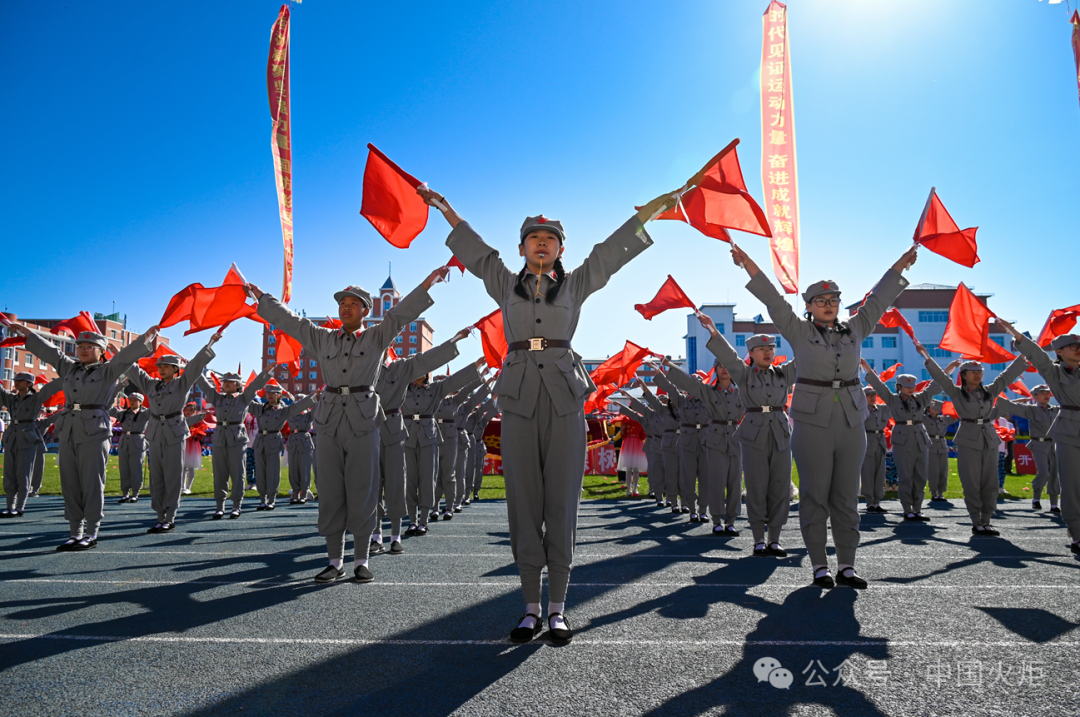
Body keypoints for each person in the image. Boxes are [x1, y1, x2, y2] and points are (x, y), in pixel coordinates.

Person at [422, 181, 675, 644]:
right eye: (534, 237)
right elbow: (478, 254)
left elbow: (609, 255)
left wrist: (650, 214)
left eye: (551, 238)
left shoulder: (574, 284)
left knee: (562, 502)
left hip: (563, 396)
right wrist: (446, 210)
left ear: (560, 249)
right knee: (523, 502)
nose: (542, 242)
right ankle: (530, 607)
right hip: (519, 396)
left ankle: (558, 607)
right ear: (521, 248)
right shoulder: (505, 282)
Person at [731, 243, 919, 589]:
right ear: (809, 307)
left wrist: (899, 268)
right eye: (821, 301)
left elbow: (878, 300)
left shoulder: (855, 329)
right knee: (815, 494)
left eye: (833, 299)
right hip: (811, 420)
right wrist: (749, 266)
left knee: (847, 496)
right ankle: (820, 565)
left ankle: (847, 565)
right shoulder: (799, 331)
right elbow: (774, 301)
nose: (829, 305)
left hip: (850, 419)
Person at [248, 267, 449, 583]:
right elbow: (291, 321)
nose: (346, 307)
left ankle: (361, 560)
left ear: (365, 311)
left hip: (363, 418)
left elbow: (400, 315)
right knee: (329, 489)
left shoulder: (376, 335)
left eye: (353, 303)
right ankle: (334, 560)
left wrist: (427, 283)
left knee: (363, 488)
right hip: (328, 420)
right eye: (342, 302)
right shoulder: (322, 337)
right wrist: (262, 297)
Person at [10, 324, 156, 548]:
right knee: (70, 482)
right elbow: (51, 351)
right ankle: (75, 531)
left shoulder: (108, 370)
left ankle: (91, 532)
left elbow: (125, 357)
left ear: (102, 350)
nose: (83, 350)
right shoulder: (69, 368)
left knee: (91, 482)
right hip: (69, 428)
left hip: (94, 429)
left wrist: (145, 338)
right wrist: (28, 333)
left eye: (90, 346)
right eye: (80, 346)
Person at [371, 333, 467, 555]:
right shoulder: (396, 384)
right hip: (391, 434)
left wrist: (474, 365)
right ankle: (402, 524)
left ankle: (421, 520)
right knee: (402, 482)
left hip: (422, 435)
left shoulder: (431, 388)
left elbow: (454, 381)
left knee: (426, 479)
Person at [702, 326, 795, 554]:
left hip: (780, 432)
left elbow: (806, 354)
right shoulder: (744, 374)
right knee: (756, 486)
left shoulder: (784, 373)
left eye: (770, 348)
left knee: (780, 487)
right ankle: (758, 539)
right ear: (751, 353)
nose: (767, 352)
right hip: (754, 432)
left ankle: (774, 538)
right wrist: (715, 333)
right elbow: (729, 357)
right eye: (761, 349)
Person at [918, 346, 1028, 537]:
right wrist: (926, 356)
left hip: (989, 438)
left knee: (991, 482)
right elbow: (942, 378)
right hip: (969, 438)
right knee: (971, 482)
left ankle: (987, 520)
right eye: (973, 372)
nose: (977, 375)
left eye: (980, 372)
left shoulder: (990, 391)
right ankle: (976, 521)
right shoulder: (957, 393)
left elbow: (1007, 376)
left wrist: (1025, 356)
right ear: (964, 375)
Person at [124, 334, 220, 535]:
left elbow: (195, 365)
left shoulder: (181, 383)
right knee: (156, 476)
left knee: (173, 475)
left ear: (176, 369)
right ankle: (159, 516)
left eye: (166, 366)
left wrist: (209, 344)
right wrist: (120, 353)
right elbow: (133, 370)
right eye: (160, 366)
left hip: (174, 431)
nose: (161, 369)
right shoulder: (151, 384)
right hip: (155, 433)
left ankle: (170, 517)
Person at [997, 327, 1080, 554]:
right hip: (1069, 433)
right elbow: (1038, 356)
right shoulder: (1054, 372)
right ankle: (1077, 533)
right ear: (1059, 352)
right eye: (1073, 346)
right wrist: (1017, 335)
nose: (1078, 350)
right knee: (1072, 486)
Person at [658, 352, 745, 536]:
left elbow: (756, 407)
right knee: (716, 481)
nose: (724, 369)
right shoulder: (708, 391)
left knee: (735, 482)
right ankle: (716, 521)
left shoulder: (742, 392)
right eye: (720, 365)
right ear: (716, 369)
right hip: (715, 439)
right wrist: (670, 367)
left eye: (727, 365)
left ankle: (731, 521)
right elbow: (688, 383)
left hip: (735, 439)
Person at [401, 361, 484, 534]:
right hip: (408, 437)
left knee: (428, 479)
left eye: (424, 370)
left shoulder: (435, 389)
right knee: (410, 481)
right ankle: (412, 520)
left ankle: (423, 520)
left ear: (427, 375)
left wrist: (479, 367)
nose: (420, 373)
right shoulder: (402, 388)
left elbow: (458, 381)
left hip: (429, 437)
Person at [861, 365, 938, 521]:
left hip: (920, 439)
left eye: (912, 386)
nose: (910, 389)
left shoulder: (920, 398)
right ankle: (907, 509)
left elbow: (935, 386)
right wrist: (866, 367)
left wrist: (947, 370)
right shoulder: (893, 399)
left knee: (921, 477)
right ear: (899, 387)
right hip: (903, 440)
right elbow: (879, 386)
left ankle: (917, 509)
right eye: (906, 386)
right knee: (906, 477)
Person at [196, 367, 272, 518]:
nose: (226, 384)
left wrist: (267, 372)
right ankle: (220, 506)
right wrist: (194, 368)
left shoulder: (243, 398)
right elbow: (204, 384)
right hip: (219, 438)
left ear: (238, 385)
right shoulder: (217, 398)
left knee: (238, 473)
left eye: (231, 382)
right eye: (225, 382)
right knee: (220, 473)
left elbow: (255, 385)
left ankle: (236, 505)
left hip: (237, 438)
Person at [1, 373, 62, 517]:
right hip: (12, 437)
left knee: (23, 473)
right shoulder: (11, 399)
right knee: (9, 473)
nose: (16, 383)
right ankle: (9, 507)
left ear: (29, 384)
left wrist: (69, 374)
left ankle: (19, 507)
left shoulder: (35, 399)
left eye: (20, 381)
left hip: (27, 437)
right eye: (16, 380)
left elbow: (51, 387)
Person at [652, 371, 711, 522]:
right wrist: (659, 373)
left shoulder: (709, 398)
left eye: (698, 382)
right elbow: (670, 388)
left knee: (705, 478)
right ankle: (691, 508)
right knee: (688, 477)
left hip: (705, 441)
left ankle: (703, 509)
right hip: (687, 441)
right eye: (692, 383)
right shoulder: (682, 400)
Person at [250, 386, 320, 510]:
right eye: (268, 393)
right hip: (261, 442)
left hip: (277, 442)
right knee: (260, 472)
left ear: (279, 395)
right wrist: (245, 390)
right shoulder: (260, 408)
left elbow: (304, 405)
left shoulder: (284, 410)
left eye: (273, 393)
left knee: (274, 472)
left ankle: (273, 499)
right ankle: (262, 500)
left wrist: (314, 394)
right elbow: (244, 401)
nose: (270, 395)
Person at [432, 367, 485, 520]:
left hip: (450, 437)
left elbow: (468, 390)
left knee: (450, 473)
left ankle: (450, 506)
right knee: (435, 474)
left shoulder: (455, 401)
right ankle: (434, 507)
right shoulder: (431, 399)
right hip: (434, 436)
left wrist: (481, 378)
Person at [998, 386, 1060, 512]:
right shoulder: (1031, 410)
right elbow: (1009, 406)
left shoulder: (1055, 410)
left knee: (1054, 474)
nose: (1046, 395)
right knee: (1043, 472)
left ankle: (1054, 504)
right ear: (1035, 396)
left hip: (1053, 445)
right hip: (1038, 444)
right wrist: (993, 394)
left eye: (1047, 393)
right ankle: (1036, 497)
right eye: (1042, 393)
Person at [613, 385, 669, 507]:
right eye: (661, 402)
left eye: (665, 402)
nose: (663, 405)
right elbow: (635, 414)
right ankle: (653, 490)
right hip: (652, 443)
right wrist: (622, 405)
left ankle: (669, 494)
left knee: (668, 469)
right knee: (653, 469)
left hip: (668, 443)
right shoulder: (649, 415)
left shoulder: (671, 415)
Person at [452, 378, 494, 509]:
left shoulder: (475, 416)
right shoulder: (452, 409)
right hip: (451, 440)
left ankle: (466, 495)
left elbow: (485, 412)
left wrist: (496, 401)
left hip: (468, 441)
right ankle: (449, 498)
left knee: (469, 471)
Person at [110, 393, 150, 504]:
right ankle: (125, 493)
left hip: (138, 441)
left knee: (136, 469)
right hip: (124, 442)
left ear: (141, 402)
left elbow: (156, 408)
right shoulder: (123, 413)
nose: (132, 401)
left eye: (135, 400)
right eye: (130, 399)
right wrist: (115, 391)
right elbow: (108, 407)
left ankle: (135, 493)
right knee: (124, 469)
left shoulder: (144, 413)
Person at [860, 385, 891, 513]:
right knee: (868, 473)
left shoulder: (882, 409)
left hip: (880, 441)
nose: (872, 397)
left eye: (874, 395)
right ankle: (869, 502)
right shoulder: (860, 410)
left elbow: (892, 402)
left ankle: (877, 502)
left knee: (880, 473)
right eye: (869, 395)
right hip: (868, 441)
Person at [286, 394, 316, 505]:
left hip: (305, 442)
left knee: (305, 470)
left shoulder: (308, 414)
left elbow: (318, 406)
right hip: (293, 441)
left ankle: (304, 494)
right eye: (297, 401)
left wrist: (317, 396)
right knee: (293, 470)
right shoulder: (290, 412)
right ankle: (295, 493)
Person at [468, 397, 499, 501]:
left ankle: (476, 491)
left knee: (478, 472)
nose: (476, 412)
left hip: (478, 445)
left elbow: (494, 411)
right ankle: (466, 493)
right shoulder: (465, 419)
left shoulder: (483, 420)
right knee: (467, 471)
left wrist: (501, 399)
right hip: (467, 446)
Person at [925, 400, 952, 502]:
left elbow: (958, 415)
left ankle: (941, 493)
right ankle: (934, 492)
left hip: (942, 445)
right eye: (933, 407)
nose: (936, 409)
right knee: (933, 471)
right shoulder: (924, 419)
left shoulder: (944, 419)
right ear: (928, 409)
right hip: (931, 446)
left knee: (943, 471)